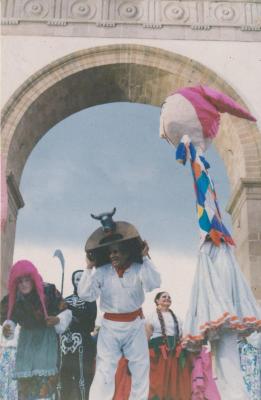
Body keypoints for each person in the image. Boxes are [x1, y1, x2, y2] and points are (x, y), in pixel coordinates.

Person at [78, 212, 161, 400]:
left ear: (126, 251)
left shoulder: (139, 268)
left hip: (135, 324)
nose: (113, 255)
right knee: (105, 369)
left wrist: (146, 257)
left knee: (140, 367)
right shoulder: (102, 271)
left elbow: (154, 283)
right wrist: (88, 267)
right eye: (110, 252)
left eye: (117, 251)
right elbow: (85, 294)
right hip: (110, 327)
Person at [0, 259, 72, 400]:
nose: (24, 284)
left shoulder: (48, 291)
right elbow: (8, 318)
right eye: (20, 281)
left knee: (45, 387)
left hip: (47, 342)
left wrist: (58, 319)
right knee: (25, 387)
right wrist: (8, 327)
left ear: (33, 280)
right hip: (26, 343)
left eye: (27, 280)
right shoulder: (13, 298)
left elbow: (66, 311)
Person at [146, 291, 192, 400]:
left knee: (174, 379)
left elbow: (181, 336)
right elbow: (146, 337)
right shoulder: (151, 317)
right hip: (158, 353)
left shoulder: (177, 318)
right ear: (157, 300)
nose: (167, 298)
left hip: (174, 353)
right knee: (158, 380)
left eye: (169, 297)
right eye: (164, 297)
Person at [59, 269, 97, 400]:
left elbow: (90, 323)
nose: (79, 281)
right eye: (77, 279)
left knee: (83, 376)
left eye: (82, 278)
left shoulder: (90, 300)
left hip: (84, 342)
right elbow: (60, 321)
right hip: (65, 343)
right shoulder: (66, 299)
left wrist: (70, 311)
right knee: (64, 376)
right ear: (73, 282)